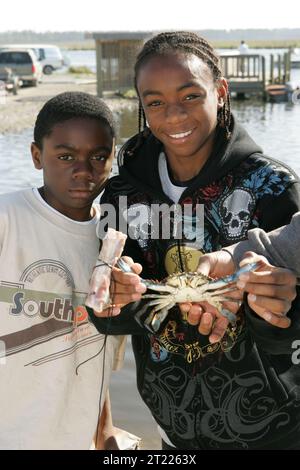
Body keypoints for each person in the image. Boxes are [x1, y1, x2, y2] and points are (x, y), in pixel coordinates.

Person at [88, 32, 300, 450]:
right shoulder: (121, 196)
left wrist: (271, 308)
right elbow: (112, 319)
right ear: (142, 108)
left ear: (220, 92)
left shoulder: (274, 187)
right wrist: (113, 298)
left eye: (189, 96)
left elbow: (288, 331)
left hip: (277, 430)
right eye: (155, 103)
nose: (174, 116)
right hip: (174, 432)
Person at [0, 91, 146, 450]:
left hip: (77, 438)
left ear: (113, 160)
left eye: (98, 157)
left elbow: (93, 351)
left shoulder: (111, 243)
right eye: (65, 156)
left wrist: (106, 431)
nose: (83, 170)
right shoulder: (8, 219)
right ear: (37, 156)